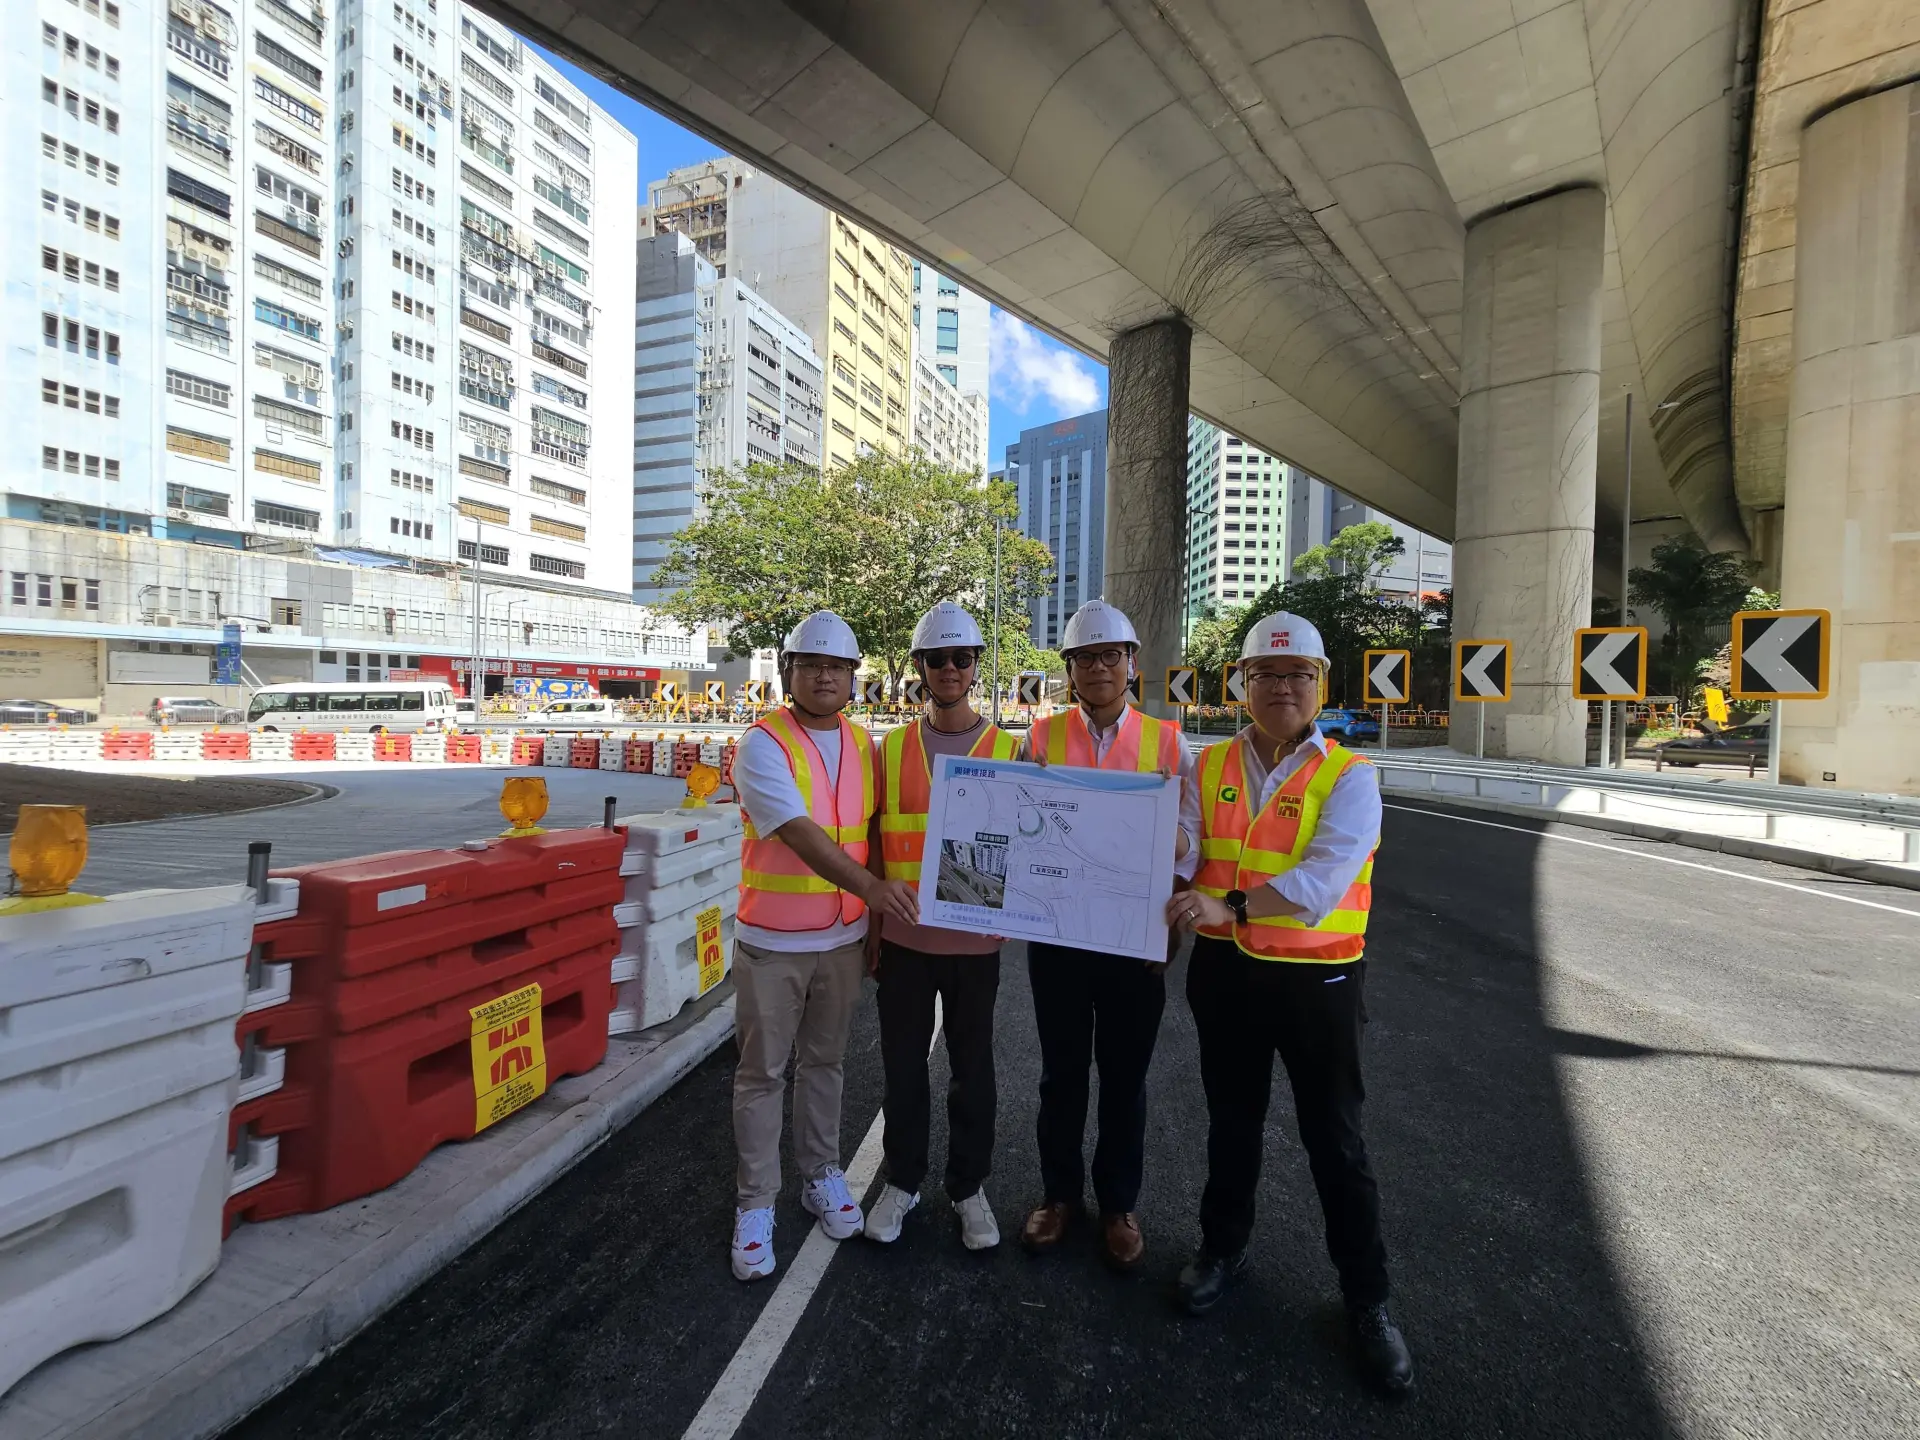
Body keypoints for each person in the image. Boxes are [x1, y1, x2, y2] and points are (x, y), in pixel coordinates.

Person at [1163, 611, 1413, 1394]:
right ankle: (1222, 1249)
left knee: (1336, 1142)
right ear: (1242, 683)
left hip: (1318, 982)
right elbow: (1182, 845)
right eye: (1266, 674)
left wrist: (1230, 905)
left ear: (1320, 685)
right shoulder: (1206, 766)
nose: (1282, 687)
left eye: (1298, 674)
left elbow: (1322, 882)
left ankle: (1367, 1300)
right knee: (1231, 1124)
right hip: (1225, 975)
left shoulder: (1351, 777)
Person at [726, 610, 919, 1282]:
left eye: (837, 666)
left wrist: (872, 921)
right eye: (811, 665)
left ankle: (821, 1175)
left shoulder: (865, 745)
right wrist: (874, 892)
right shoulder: (762, 745)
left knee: (825, 1065)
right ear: (791, 672)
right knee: (761, 1074)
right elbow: (798, 832)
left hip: (841, 940)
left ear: (853, 676)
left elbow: (876, 833)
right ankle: (755, 1204)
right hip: (773, 944)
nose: (825, 677)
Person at [1019, 600, 1191, 1272]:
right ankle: (1059, 1197)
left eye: (1110, 655)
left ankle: (1119, 1205)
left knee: (1125, 1079)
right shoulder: (1040, 737)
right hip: (1059, 935)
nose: (1098, 668)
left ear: (1131, 663)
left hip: (1133, 940)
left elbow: (1193, 837)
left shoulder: (1169, 743)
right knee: (1061, 1076)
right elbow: (1020, 821)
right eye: (1084, 657)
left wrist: (1167, 869)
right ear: (1069, 669)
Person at [863, 602, 1022, 1251]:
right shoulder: (892, 748)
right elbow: (877, 839)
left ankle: (968, 1187)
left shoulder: (1008, 749)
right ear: (920, 667)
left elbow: (1026, 844)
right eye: (937, 659)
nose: (949, 669)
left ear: (976, 666)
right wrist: (873, 925)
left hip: (974, 944)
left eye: (961, 658)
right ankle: (902, 1181)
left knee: (972, 1070)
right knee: (903, 1068)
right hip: (905, 941)